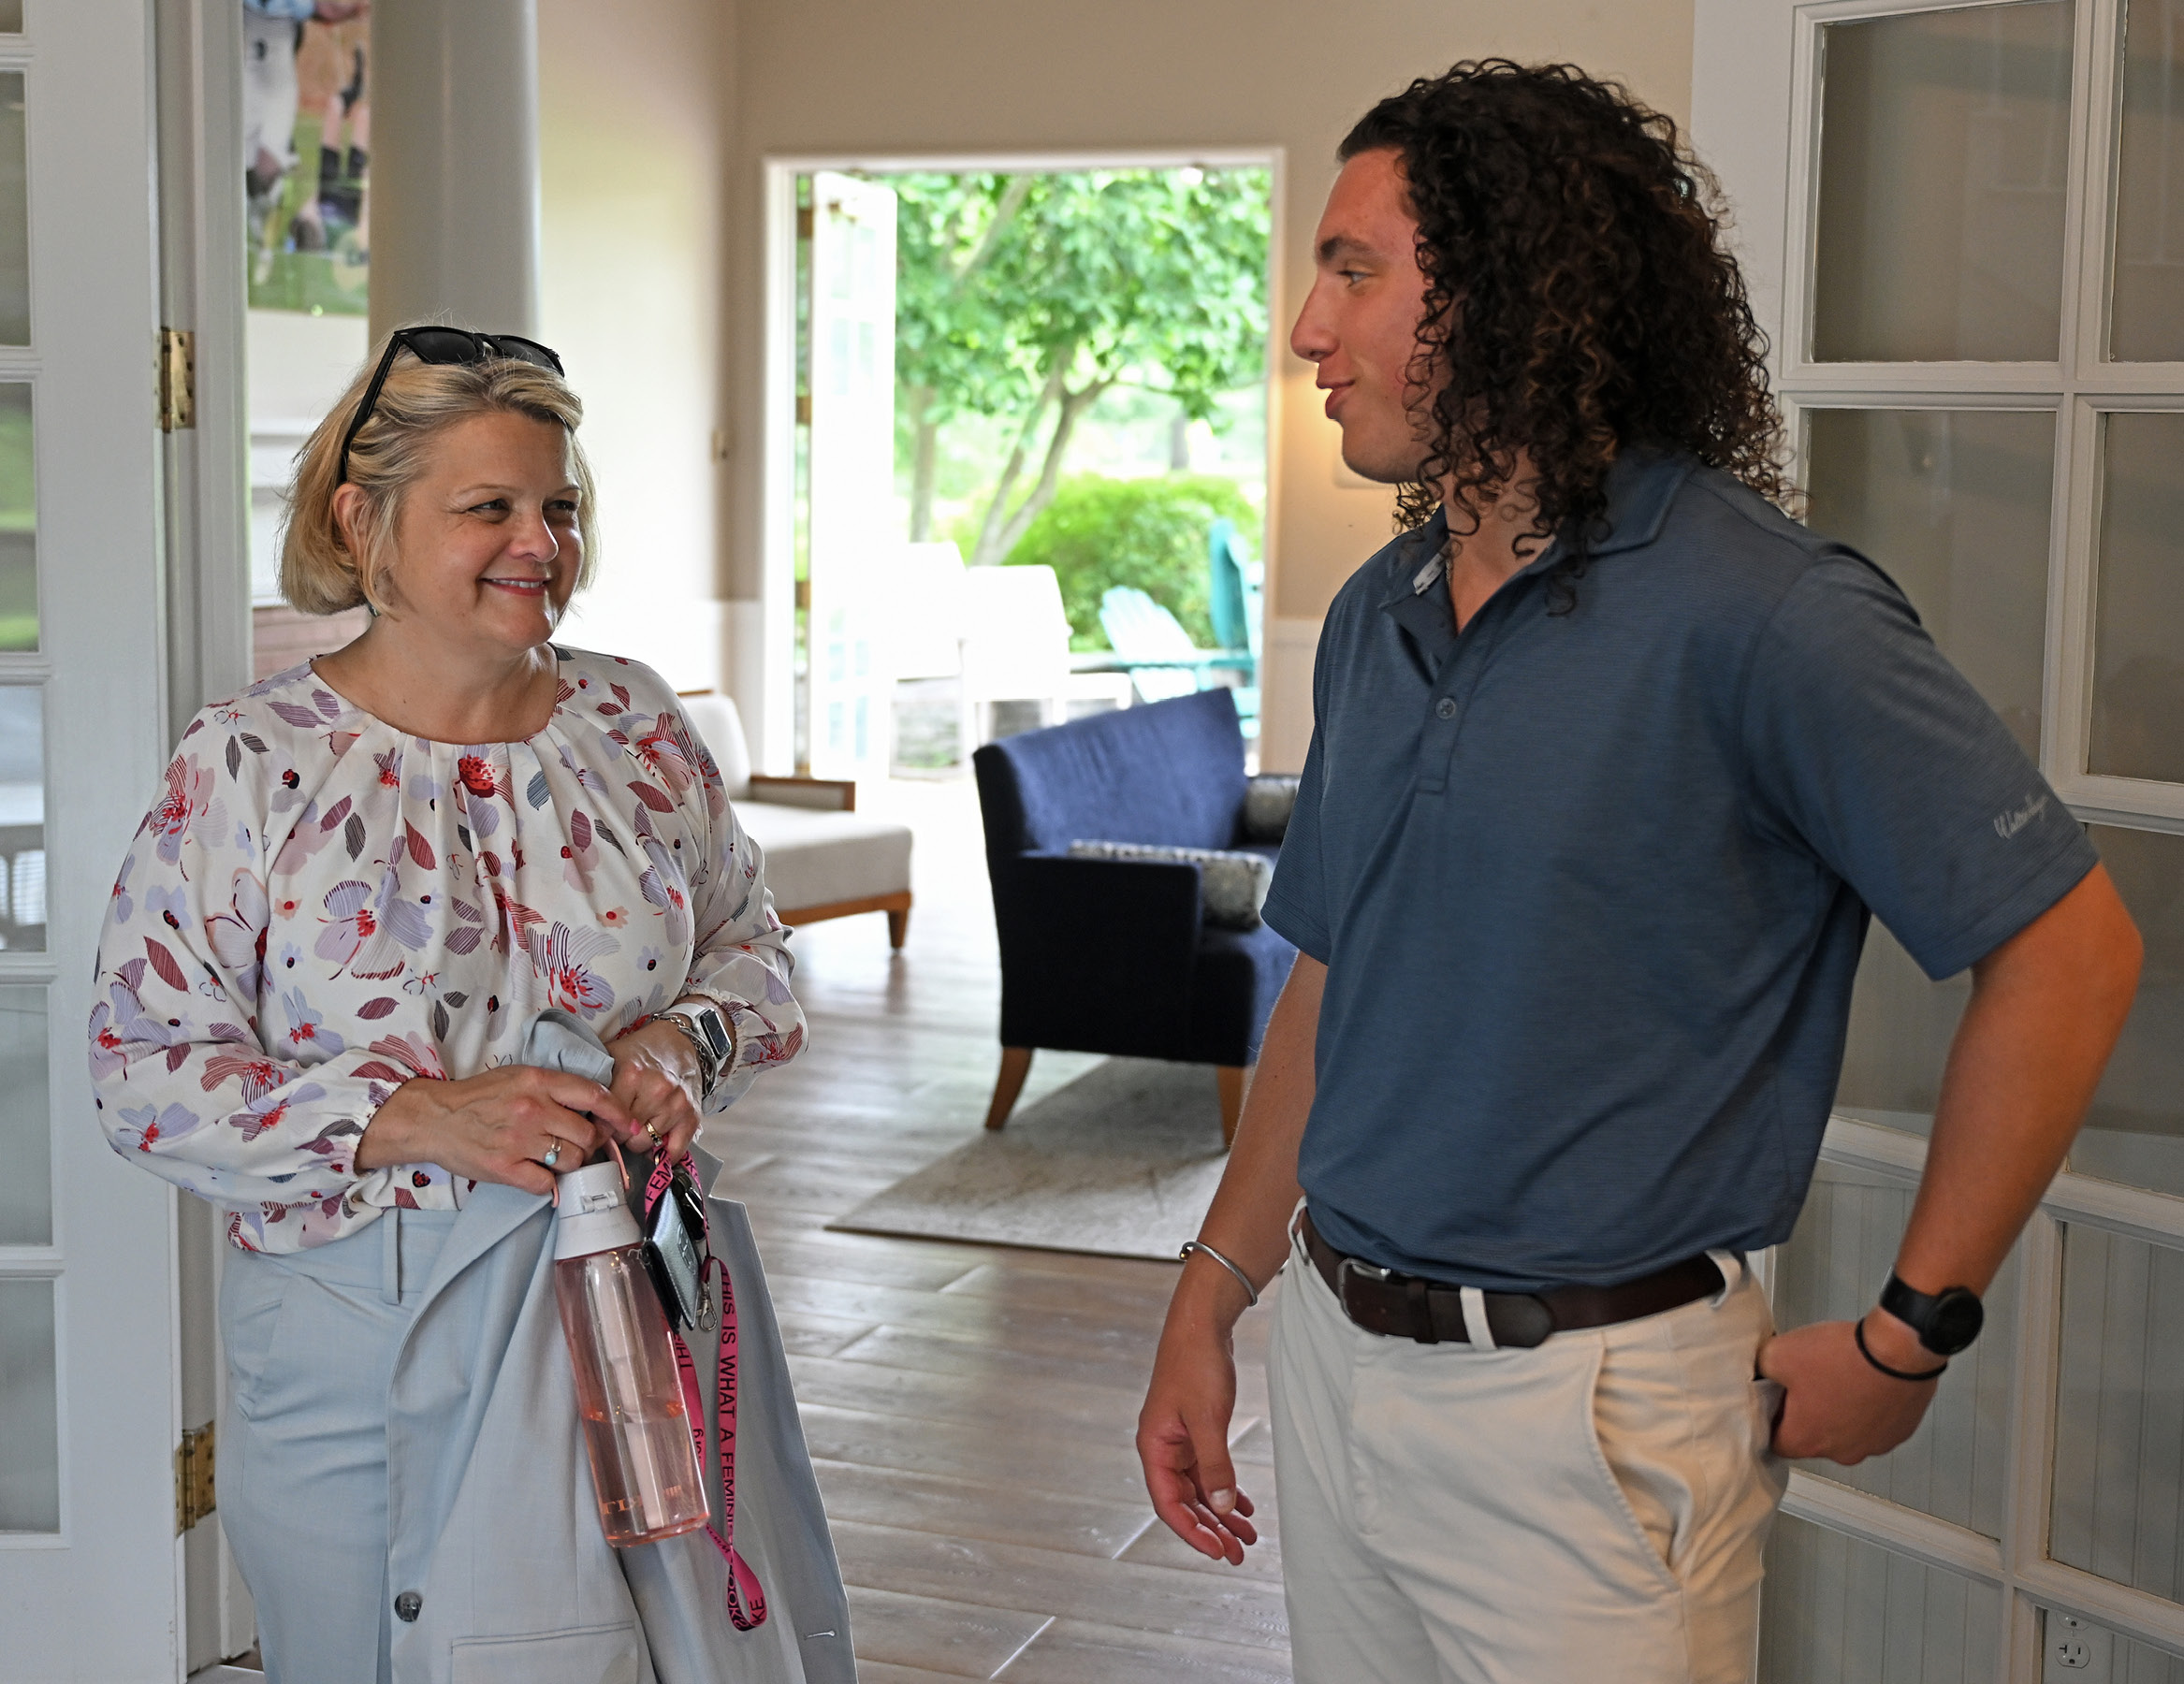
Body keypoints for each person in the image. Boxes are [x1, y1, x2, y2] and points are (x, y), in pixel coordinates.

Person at [1136, 60, 2146, 1684]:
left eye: (1354, 271)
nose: (1307, 332)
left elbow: (2070, 953)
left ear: (1515, 292)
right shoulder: (1381, 617)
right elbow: (1332, 972)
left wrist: (1910, 1331)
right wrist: (1213, 1292)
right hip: (1332, 1366)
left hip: (1589, 1424)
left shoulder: (1765, 615)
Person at [91, 327, 814, 1680]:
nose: (540, 543)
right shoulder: (249, 763)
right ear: (361, 522)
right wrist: (419, 1118)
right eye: (490, 507)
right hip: (358, 1340)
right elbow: (143, 1073)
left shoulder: (635, 724)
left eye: (560, 507)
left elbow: (756, 954)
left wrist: (688, 1040)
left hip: (628, 1304)